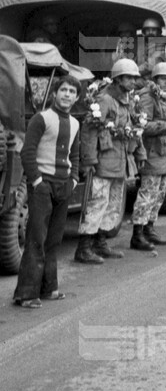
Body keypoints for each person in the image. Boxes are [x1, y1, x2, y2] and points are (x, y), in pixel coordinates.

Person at [13, 75, 81, 307]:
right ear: (54, 93)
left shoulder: (75, 123)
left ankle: (49, 288)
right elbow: (27, 152)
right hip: (43, 186)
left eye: (72, 91)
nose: (67, 95)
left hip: (64, 185)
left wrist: (73, 179)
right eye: (64, 90)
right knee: (36, 239)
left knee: (53, 240)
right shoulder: (41, 119)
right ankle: (26, 294)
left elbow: (75, 155)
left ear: (77, 97)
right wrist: (37, 182)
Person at [75, 59, 144, 264]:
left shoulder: (128, 100)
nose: (133, 82)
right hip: (103, 161)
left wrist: (140, 154)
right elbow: (89, 129)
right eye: (129, 78)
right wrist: (88, 161)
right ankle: (84, 247)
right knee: (97, 202)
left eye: (134, 78)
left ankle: (100, 243)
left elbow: (134, 128)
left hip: (120, 160)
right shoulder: (105, 100)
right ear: (118, 78)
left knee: (113, 204)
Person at [130, 62, 166, 250]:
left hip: (164, 153)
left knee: (158, 195)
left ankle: (149, 228)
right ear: (155, 79)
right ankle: (137, 233)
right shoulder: (148, 97)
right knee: (147, 194)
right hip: (151, 152)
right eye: (163, 78)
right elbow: (142, 126)